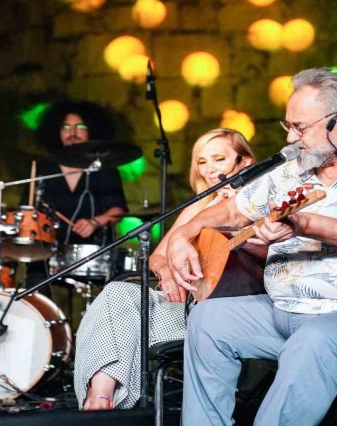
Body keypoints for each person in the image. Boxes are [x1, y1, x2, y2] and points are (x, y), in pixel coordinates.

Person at [159, 68, 337, 425]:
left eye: (300, 128)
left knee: (316, 339)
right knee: (209, 320)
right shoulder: (291, 170)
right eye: (288, 126)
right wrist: (184, 233)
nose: (291, 138)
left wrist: (305, 224)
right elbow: (233, 209)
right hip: (293, 312)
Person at [75, 128, 259, 410]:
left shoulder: (258, 199)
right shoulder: (199, 206)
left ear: (244, 161)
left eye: (219, 159)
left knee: (125, 320)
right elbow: (157, 257)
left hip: (228, 313)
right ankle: (100, 397)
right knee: (116, 294)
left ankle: (100, 403)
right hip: (186, 306)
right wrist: (166, 273)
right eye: (202, 162)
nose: (209, 169)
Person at [24, 101, 128, 292]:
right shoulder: (43, 169)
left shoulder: (104, 169)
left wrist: (95, 222)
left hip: (92, 253)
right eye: (66, 127)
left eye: (80, 126)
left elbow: (118, 210)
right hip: (47, 253)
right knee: (35, 285)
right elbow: (27, 211)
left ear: (91, 131)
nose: (72, 132)